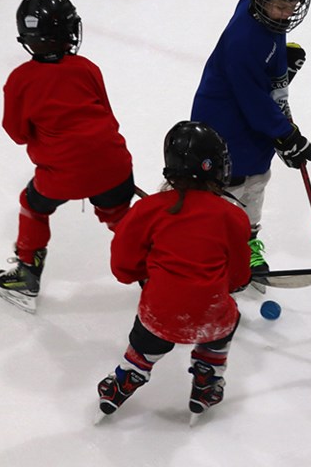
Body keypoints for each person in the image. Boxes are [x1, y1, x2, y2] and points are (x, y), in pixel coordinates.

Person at [96, 121, 251, 420]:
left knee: (151, 330)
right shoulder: (233, 216)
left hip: (159, 315)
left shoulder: (147, 210)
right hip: (210, 314)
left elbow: (123, 268)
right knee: (225, 319)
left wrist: (148, 275)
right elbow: (238, 276)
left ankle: (127, 377)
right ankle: (207, 381)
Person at [0, 0, 135, 313]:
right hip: (114, 164)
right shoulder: (87, 68)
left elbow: (17, 133)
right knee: (119, 217)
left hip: (61, 176)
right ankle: (152, 268)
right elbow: (108, 117)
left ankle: (27, 271)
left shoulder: (19, 80)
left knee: (33, 205)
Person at [190, 0, 311, 278]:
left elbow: (264, 73)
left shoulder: (264, 15)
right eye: (280, 5)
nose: (287, 13)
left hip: (252, 128)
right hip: (226, 126)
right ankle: (207, 245)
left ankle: (246, 242)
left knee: (256, 182)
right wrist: (286, 135)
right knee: (227, 187)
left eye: (292, 5)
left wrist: (281, 70)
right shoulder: (243, 39)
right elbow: (254, 102)